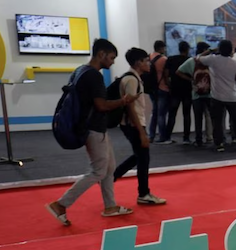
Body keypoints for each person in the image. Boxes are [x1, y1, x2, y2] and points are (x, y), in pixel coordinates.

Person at [46, 39, 137, 226]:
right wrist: (124, 101)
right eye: (111, 58)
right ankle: (61, 204)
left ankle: (110, 206)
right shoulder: (94, 76)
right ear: (101, 54)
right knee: (98, 171)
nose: (112, 62)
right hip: (94, 129)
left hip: (91, 127)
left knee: (109, 168)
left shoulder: (80, 71)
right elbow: (101, 105)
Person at [113, 47, 167, 205]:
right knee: (143, 157)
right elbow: (129, 107)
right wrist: (142, 132)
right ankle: (143, 193)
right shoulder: (132, 79)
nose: (149, 63)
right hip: (133, 124)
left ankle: (112, 178)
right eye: (146, 61)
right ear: (138, 62)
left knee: (140, 156)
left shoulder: (133, 78)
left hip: (133, 123)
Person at [197, 40, 236, 152]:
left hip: (216, 96)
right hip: (232, 96)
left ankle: (219, 144)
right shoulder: (235, 63)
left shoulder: (213, 59)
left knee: (217, 122)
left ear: (219, 48)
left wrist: (209, 51)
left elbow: (197, 58)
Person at [176, 41, 214, 147]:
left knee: (198, 118)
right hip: (210, 93)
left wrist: (191, 79)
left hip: (196, 93)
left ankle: (198, 140)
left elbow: (178, 72)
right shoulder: (210, 62)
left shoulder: (191, 61)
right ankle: (211, 137)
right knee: (211, 116)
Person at [164, 41, 193, 145]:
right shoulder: (190, 60)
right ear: (188, 49)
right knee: (187, 114)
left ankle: (167, 137)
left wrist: (169, 85)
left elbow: (166, 74)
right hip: (187, 90)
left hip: (175, 90)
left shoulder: (171, 59)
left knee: (172, 114)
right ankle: (186, 138)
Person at [148, 40, 171, 144]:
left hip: (152, 89)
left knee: (154, 112)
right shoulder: (164, 59)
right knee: (161, 114)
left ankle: (151, 135)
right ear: (161, 48)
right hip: (162, 88)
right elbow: (166, 75)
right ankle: (162, 136)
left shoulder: (149, 57)